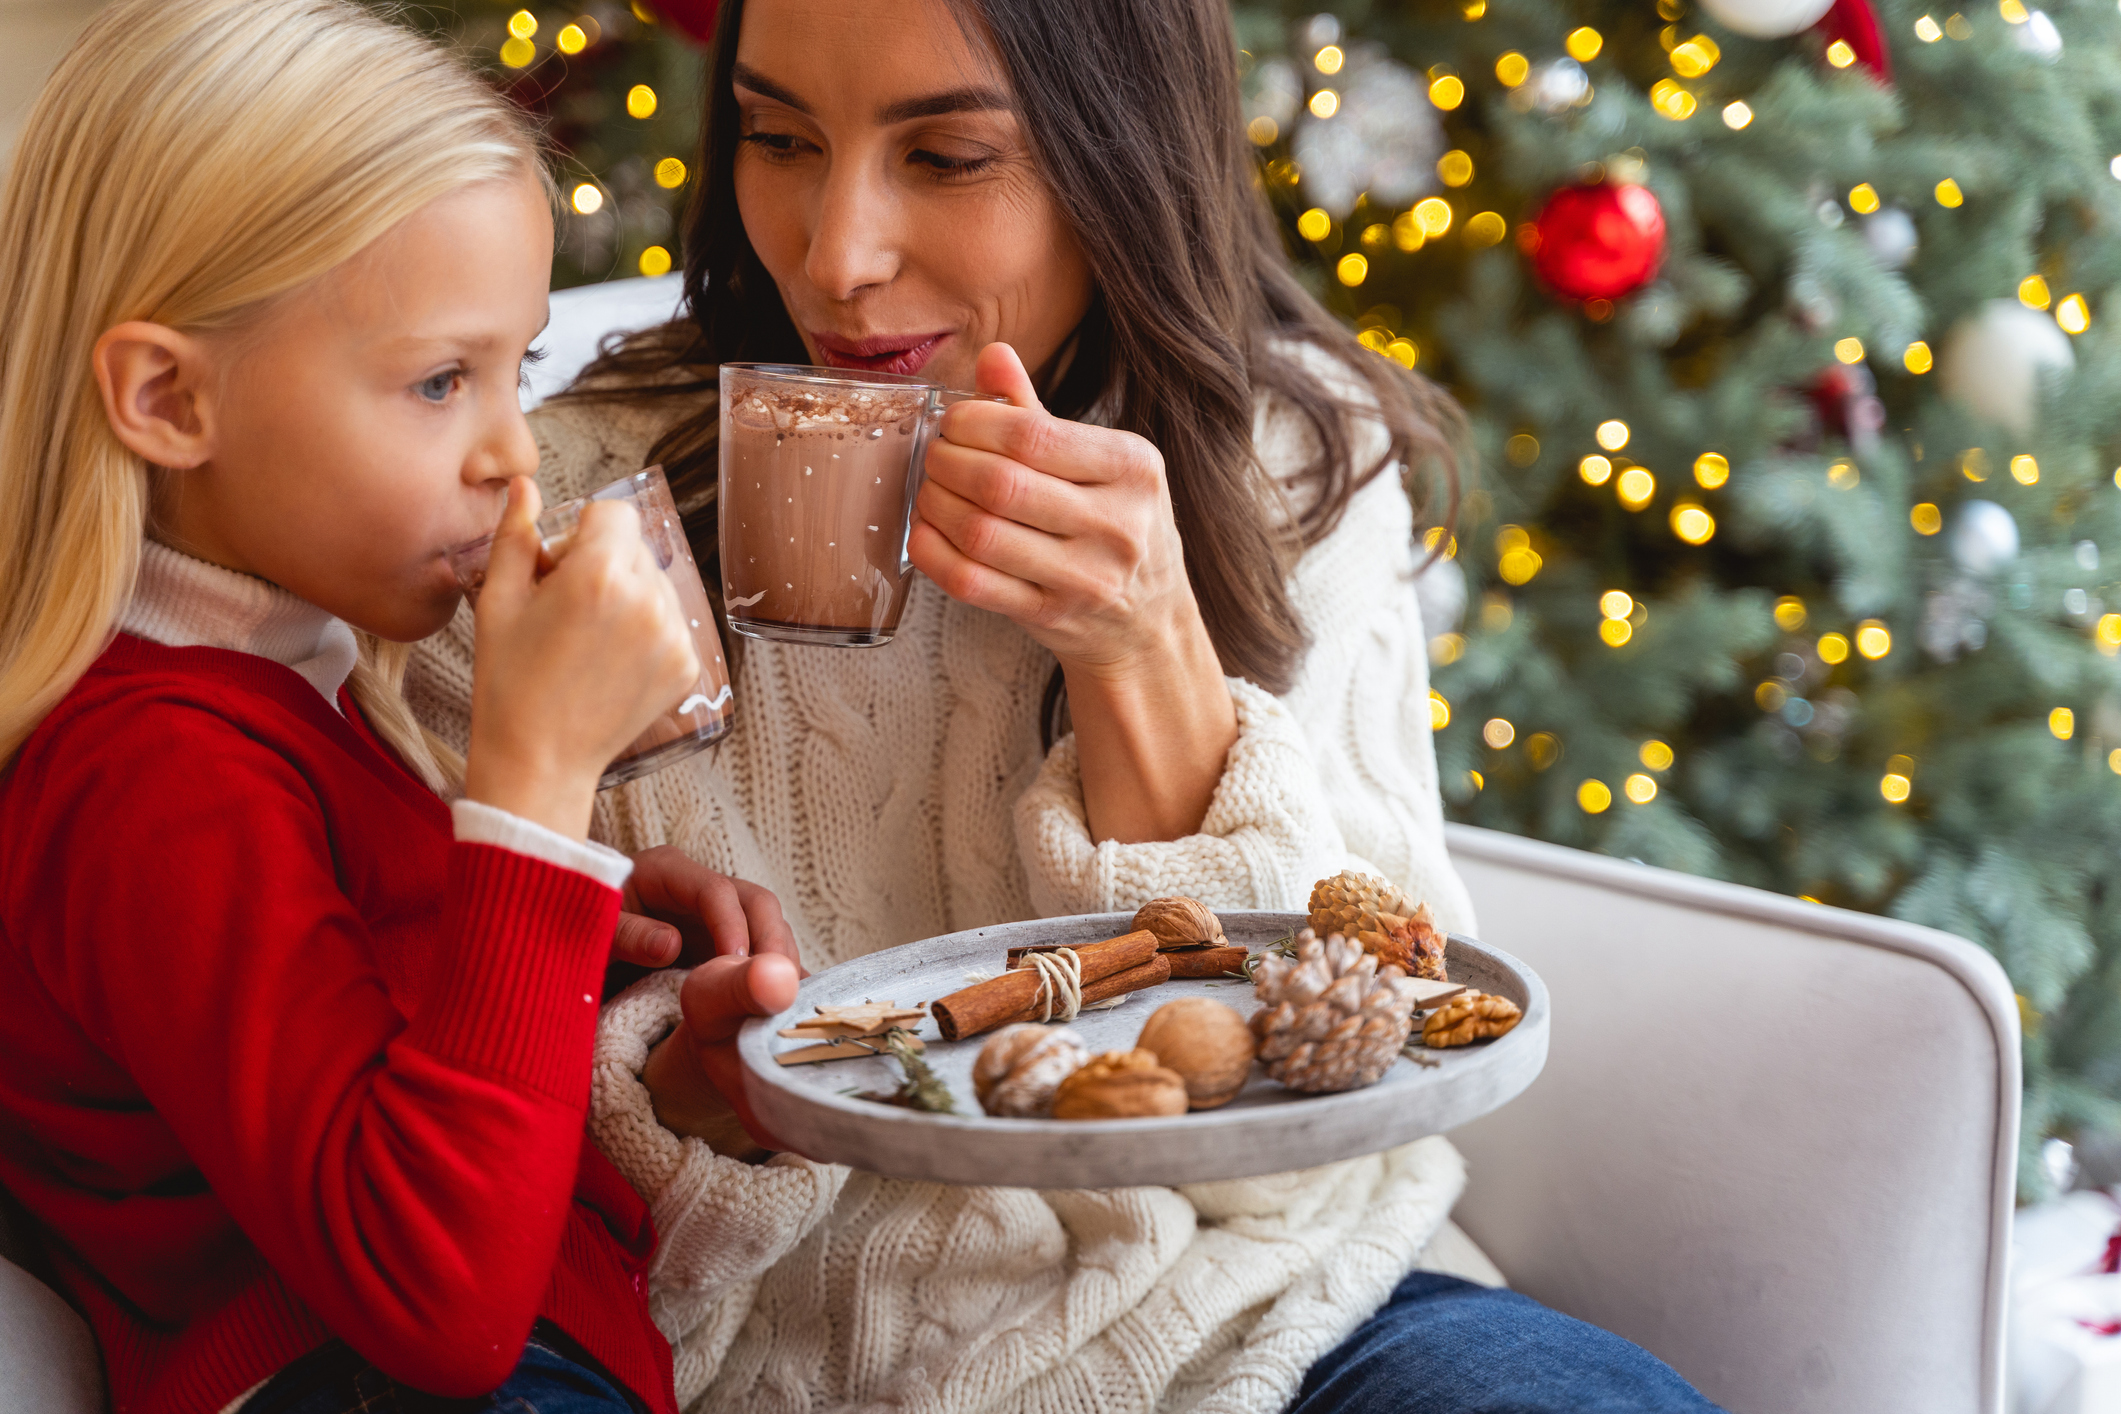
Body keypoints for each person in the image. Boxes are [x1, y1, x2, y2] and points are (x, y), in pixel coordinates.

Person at [407, 1, 1730, 1410]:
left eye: (948, 157)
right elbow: (442, 1120)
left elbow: (1350, 1067)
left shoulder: (1285, 455)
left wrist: (1145, 648)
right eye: (776, 135)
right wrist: (684, 1090)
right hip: (743, 1347)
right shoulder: (556, 495)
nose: (834, 253)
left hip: (1266, 1313)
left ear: (1120, 160)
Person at [0, 2, 801, 1410]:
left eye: (520, 369)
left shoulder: (273, 694)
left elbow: (342, 1058)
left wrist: (573, 954)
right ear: (166, 399)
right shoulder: (154, 775)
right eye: (440, 380)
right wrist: (535, 798)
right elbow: (437, 1302)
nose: (513, 455)